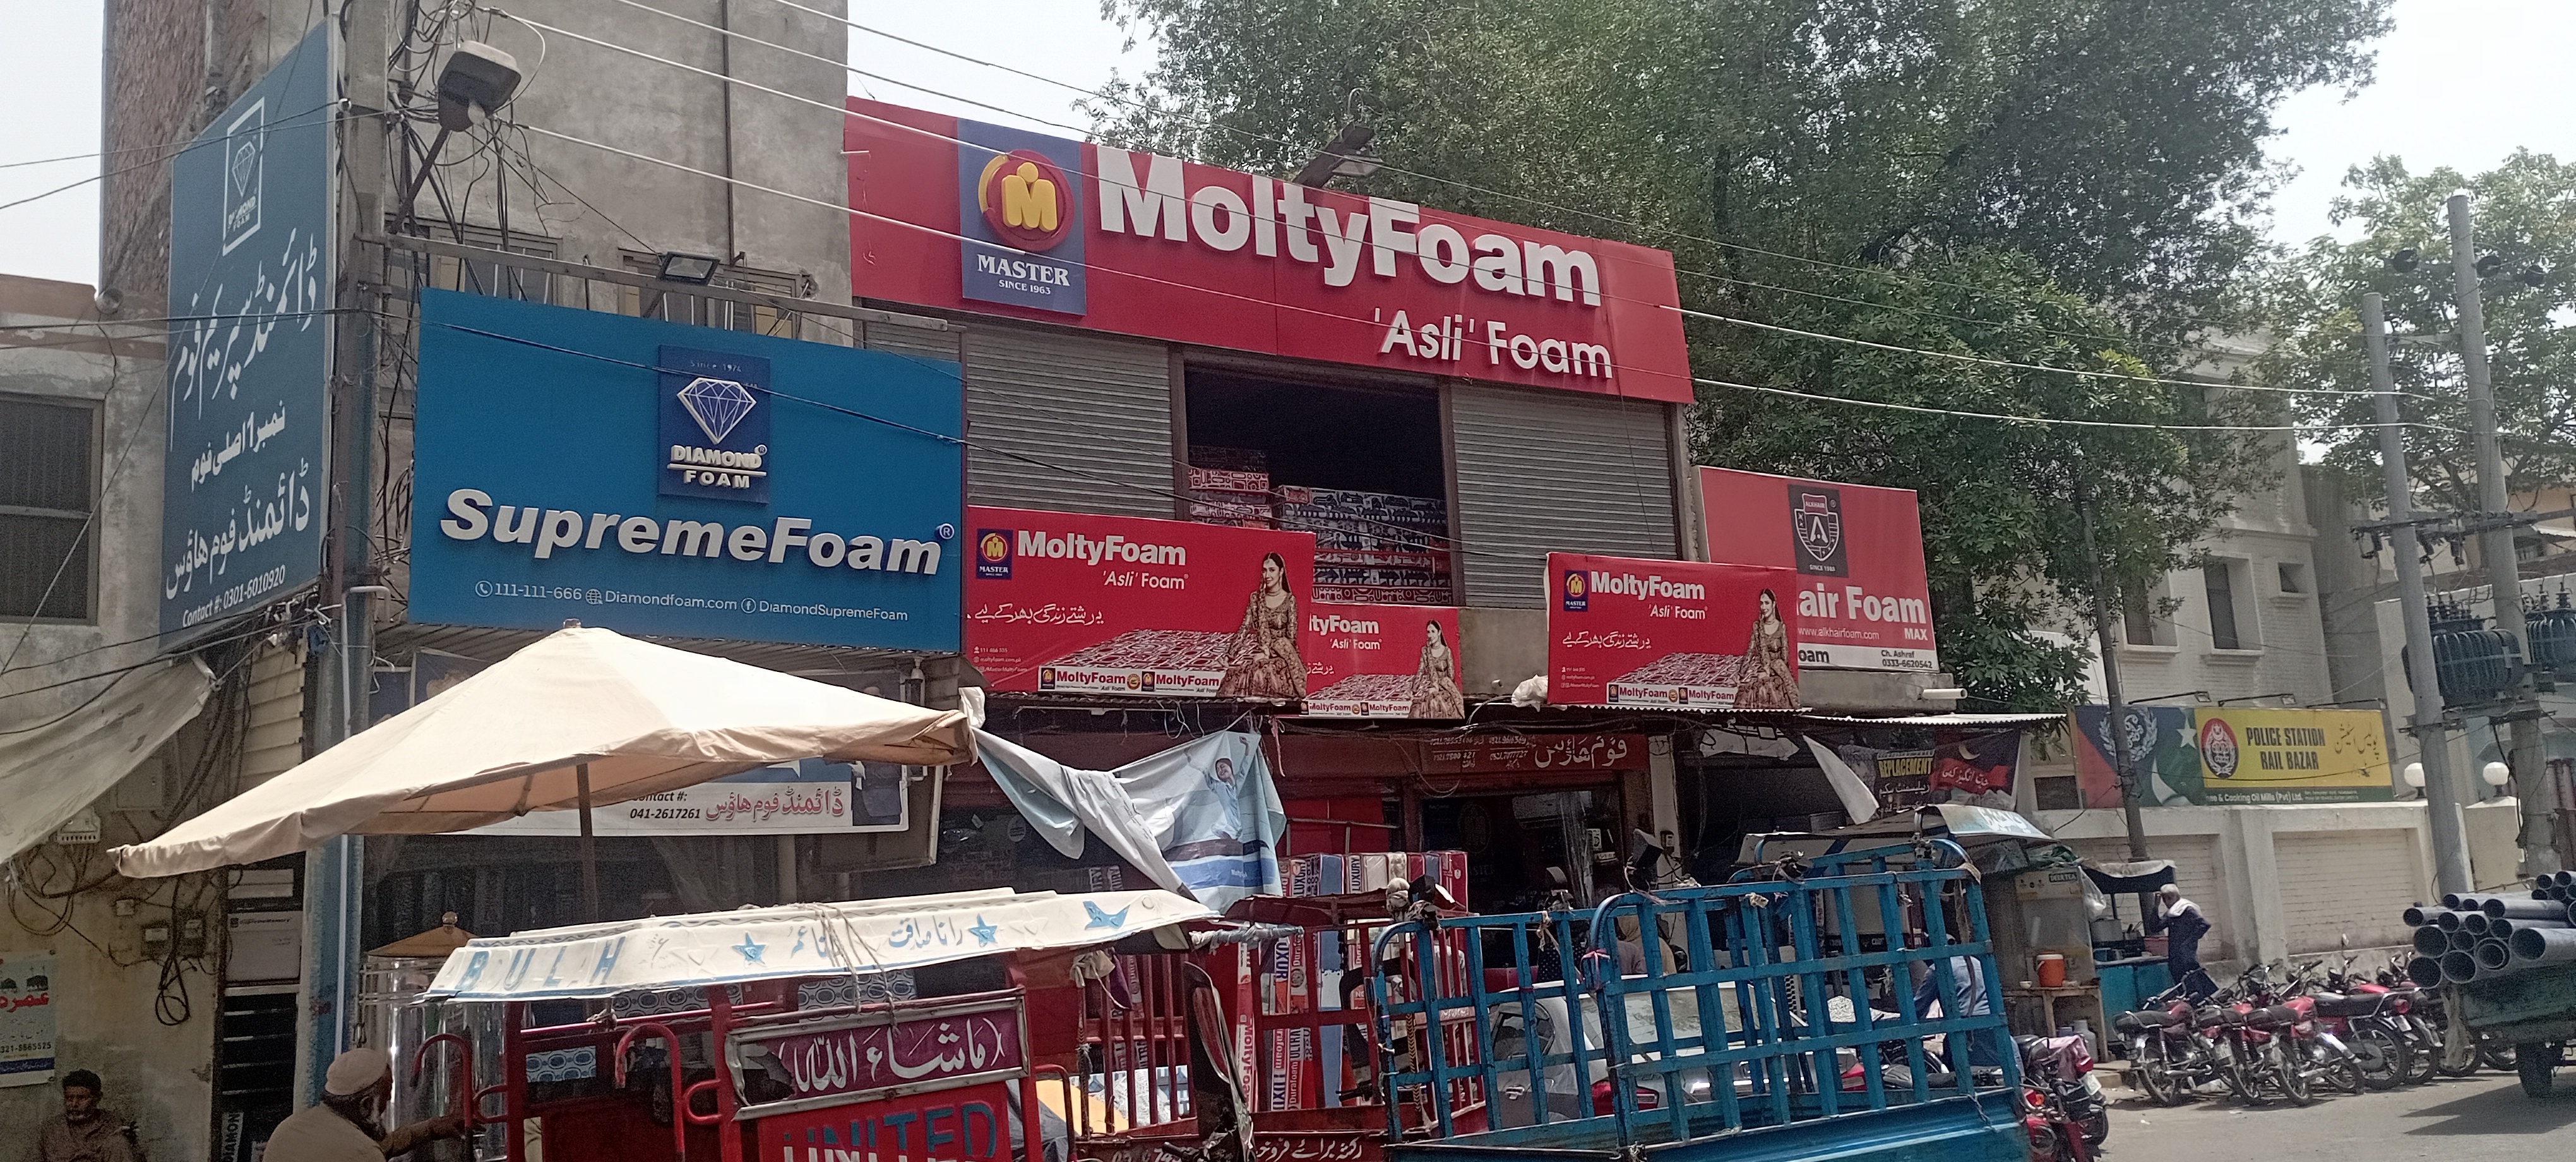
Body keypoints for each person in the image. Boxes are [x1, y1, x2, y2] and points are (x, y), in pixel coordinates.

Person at [265, 1048, 465, 1162]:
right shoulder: (364, 1153)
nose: (388, 1102)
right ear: (366, 1105)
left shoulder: (290, 1127)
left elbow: (383, 1146)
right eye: (386, 1096)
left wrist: (431, 1128)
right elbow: (367, 1150)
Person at [1216, 553, 1306, 700]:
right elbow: (1244, 629)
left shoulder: (1290, 600)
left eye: (1272, 570)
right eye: (1264, 571)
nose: (1267, 575)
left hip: (1283, 658)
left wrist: (1268, 654)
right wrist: (1229, 656)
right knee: (1234, 676)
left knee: (1262, 672)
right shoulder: (1256, 599)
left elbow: (1291, 640)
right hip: (1261, 656)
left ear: (1281, 572)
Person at [33, 1070, 141, 1162]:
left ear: (98, 1098)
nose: (74, 1104)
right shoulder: (51, 1129)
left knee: (118, 1142)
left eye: (82, 1098)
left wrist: (131, 1143)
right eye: (69, 1098)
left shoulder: (113, 1124)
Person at [1731, 589, 1801, 709]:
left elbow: (1785, 660)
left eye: (1767, 603)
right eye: (1761, 603)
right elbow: (1750, 652)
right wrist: (1740, 674)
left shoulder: (1781, 628)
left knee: (1770, 689)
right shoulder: (1758, 627)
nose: (1764, 607)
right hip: (1763, 673)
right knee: (1748, 692)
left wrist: (1770, 673)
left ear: (1774, 604)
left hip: (1778, 674)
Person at [2152, 884, 2215, 1002]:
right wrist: (2156, 907)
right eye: (2165, 899)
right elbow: (2155, 927)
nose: (2167, 902)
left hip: (2187, 954)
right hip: (2175, 954)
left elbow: (2204, 925)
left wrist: (2189, 942)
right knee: (2180, 981)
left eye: (2170, 898)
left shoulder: (2186, 910)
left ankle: (2203, 1001)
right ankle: (2190, 1003)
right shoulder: (2172, 914)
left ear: (2177, 897)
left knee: (2192, 979)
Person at [1405, 620, 1465, 718]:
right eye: (1428, 632)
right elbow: (1420, 671)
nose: (1430, 635)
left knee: (1437, 703)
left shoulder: (1447, 651)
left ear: (1439, 632)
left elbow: (1451, 676)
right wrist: (1413, 690)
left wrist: (1439, 687)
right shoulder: (1426, 651)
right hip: (1432, 688)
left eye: (1433, 632)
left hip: (1446, 688)